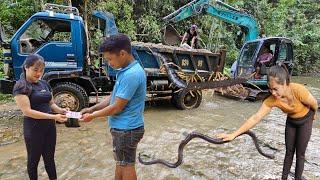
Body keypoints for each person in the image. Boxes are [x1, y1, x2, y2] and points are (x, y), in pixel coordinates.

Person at [217, 64, 318, 180]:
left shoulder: (298, 90)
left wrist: (314, 114)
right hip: (291, 121)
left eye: (276, 89)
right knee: (289, 153)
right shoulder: (271, 100)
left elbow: (314, 103)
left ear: (285, 84)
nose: (273, 93)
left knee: (300, 154)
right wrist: (233, 134)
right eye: (270, 88)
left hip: (306, 120)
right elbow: (255, 117)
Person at [80, 33, 146, 180]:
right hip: (124, 129)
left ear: (122, 53)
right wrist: (92, 108)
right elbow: (113, 97)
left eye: (110, 59)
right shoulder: (125, 71)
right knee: (121, 162)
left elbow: (116, 107)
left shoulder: (131, 74)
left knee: (127, 165)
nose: (109, 63)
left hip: (126, 130)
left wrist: (92, 116)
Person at [13, 54, 68, 180]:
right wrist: (54, 117)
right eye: (35, 70)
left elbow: (51, 103)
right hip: (33, 129)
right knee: (33, 161)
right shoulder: (21, 86)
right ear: (26, 67)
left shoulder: (44, 83)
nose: (38, 73)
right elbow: (27, 111)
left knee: (50, 158)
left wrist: (61, 110)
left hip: (49, 128)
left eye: (41, 70)